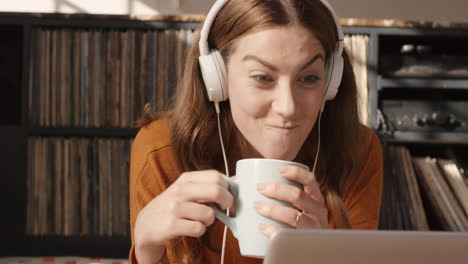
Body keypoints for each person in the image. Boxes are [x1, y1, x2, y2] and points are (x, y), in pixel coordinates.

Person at [129, 0, 383, 263]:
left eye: (308, 78)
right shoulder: (161, 149)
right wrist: (147, 249)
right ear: (217, 79)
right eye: (262, 77)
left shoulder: (358, 150)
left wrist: (320, 256)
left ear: (331, 81)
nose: (288, 107)